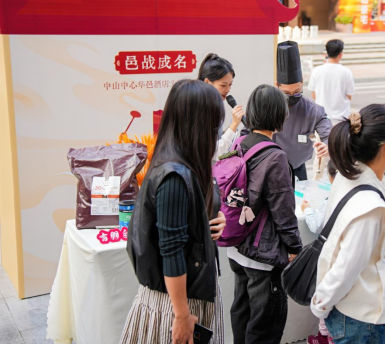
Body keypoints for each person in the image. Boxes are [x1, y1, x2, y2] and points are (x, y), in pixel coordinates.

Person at [121, 80, 228, 344]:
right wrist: (181, 316)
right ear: (201, 124)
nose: (217, 131)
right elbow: (172, 251)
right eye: (215, 122)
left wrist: (212, 220)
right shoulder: (174, 176)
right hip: (177, 304)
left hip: (188, 294)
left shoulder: (180, 163)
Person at [311, 104, 385, 345]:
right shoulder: (370, 207)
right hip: (363, 319)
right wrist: (320, 304)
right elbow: (346, 267)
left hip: (357, 313)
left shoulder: (349, 175)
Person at [228, 85, 303, 344]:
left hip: (236, 247)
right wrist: (294, 247)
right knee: (264, 328)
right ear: (280, 115)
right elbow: (283, 210)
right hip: (263, 254)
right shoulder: (274, 156)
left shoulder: (239, 142)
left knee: (242, 314)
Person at [275, 41, 333, 181]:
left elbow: (328, 133)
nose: (291, 96)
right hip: (271, 169)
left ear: (302, 83)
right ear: (277, 86)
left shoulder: (312, 110)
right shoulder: (268, 106)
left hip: (298, 168)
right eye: (286, 93)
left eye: (297, 91)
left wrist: (328, 144)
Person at [302, 160, 338, 345]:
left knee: (326, 294)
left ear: (331, 178)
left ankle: (324, 336)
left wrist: (307, 209)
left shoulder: (332, 199)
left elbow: (316, 224)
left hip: (331, 257)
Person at [198, 53, 245, 159]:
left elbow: (217, 140)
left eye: (230, 85)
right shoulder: (200, 109)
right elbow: (214, 153)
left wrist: (233, 126)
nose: (228, 90)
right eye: (223, 85)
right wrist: (234, 125)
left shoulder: (213, 105)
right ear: (207, 82)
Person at [308, 39, 355, 125]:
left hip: (321, 119)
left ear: (327, 53)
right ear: (340, 54)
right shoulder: (346, 72)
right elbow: (349, 96)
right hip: (341, 120)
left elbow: (314, 95)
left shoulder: (316, 71)